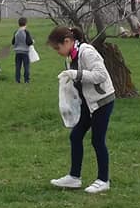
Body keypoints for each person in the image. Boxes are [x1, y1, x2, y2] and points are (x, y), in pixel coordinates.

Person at [47, 27, 116, 194]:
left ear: (67, 41)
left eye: (58, 48)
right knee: (76, 135)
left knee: (97, 140)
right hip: (88, 102)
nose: (58, 52)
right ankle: (74, 177)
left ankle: (103, 180)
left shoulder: (87, 52)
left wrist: (76, 74)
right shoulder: (71, 56)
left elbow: (101, 75)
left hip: (102, 102)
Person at [11, 17, 34, 83]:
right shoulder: (26, 32)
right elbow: (29, 42)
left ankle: (17, 80)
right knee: (26, 66)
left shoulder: (16, 32)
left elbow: (13, 42)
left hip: (17, 52)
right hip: (25, 52)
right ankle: (26, 80)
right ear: (26, 24)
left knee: (18, 66)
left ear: (18, 24)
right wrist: (32, 41)